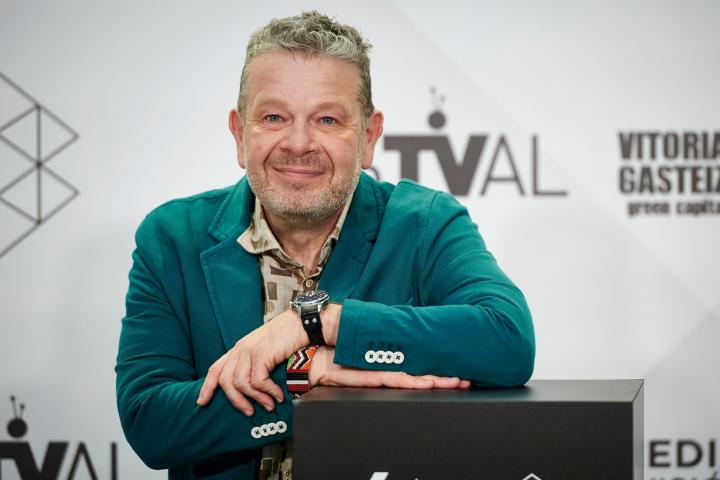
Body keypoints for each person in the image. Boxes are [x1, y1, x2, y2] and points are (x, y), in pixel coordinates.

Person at [116, 10, 535, 480]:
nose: (298, 143)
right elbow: (149, 422)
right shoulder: (172, 237)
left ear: (369, 137)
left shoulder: (424, 223)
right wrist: (304, 375)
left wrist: (314, 324)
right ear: (239, 133)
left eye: (328, 119)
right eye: (274, 117)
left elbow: (508, 342)